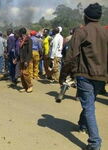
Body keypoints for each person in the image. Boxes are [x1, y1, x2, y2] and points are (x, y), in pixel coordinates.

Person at [60, 3, 108, 150]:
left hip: (85, 75)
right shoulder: (106, 33)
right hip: (101, 76)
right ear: (99, 17)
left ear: (85, 16)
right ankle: (82, 124)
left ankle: (95, 142)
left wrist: (63, 75)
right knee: (89, 103)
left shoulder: (81, 32)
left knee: (88, 106)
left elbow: (70, 56)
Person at [18, 28, 33, 93]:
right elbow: (20, 51)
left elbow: (29, 51)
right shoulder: (21, 40)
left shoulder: (29, 40)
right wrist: (17, 59)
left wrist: (27, 61)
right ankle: (25, 87)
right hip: (21, 59)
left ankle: (30, 86)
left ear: (22, 33)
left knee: (25, 73)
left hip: (26, 60)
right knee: (21, 74)